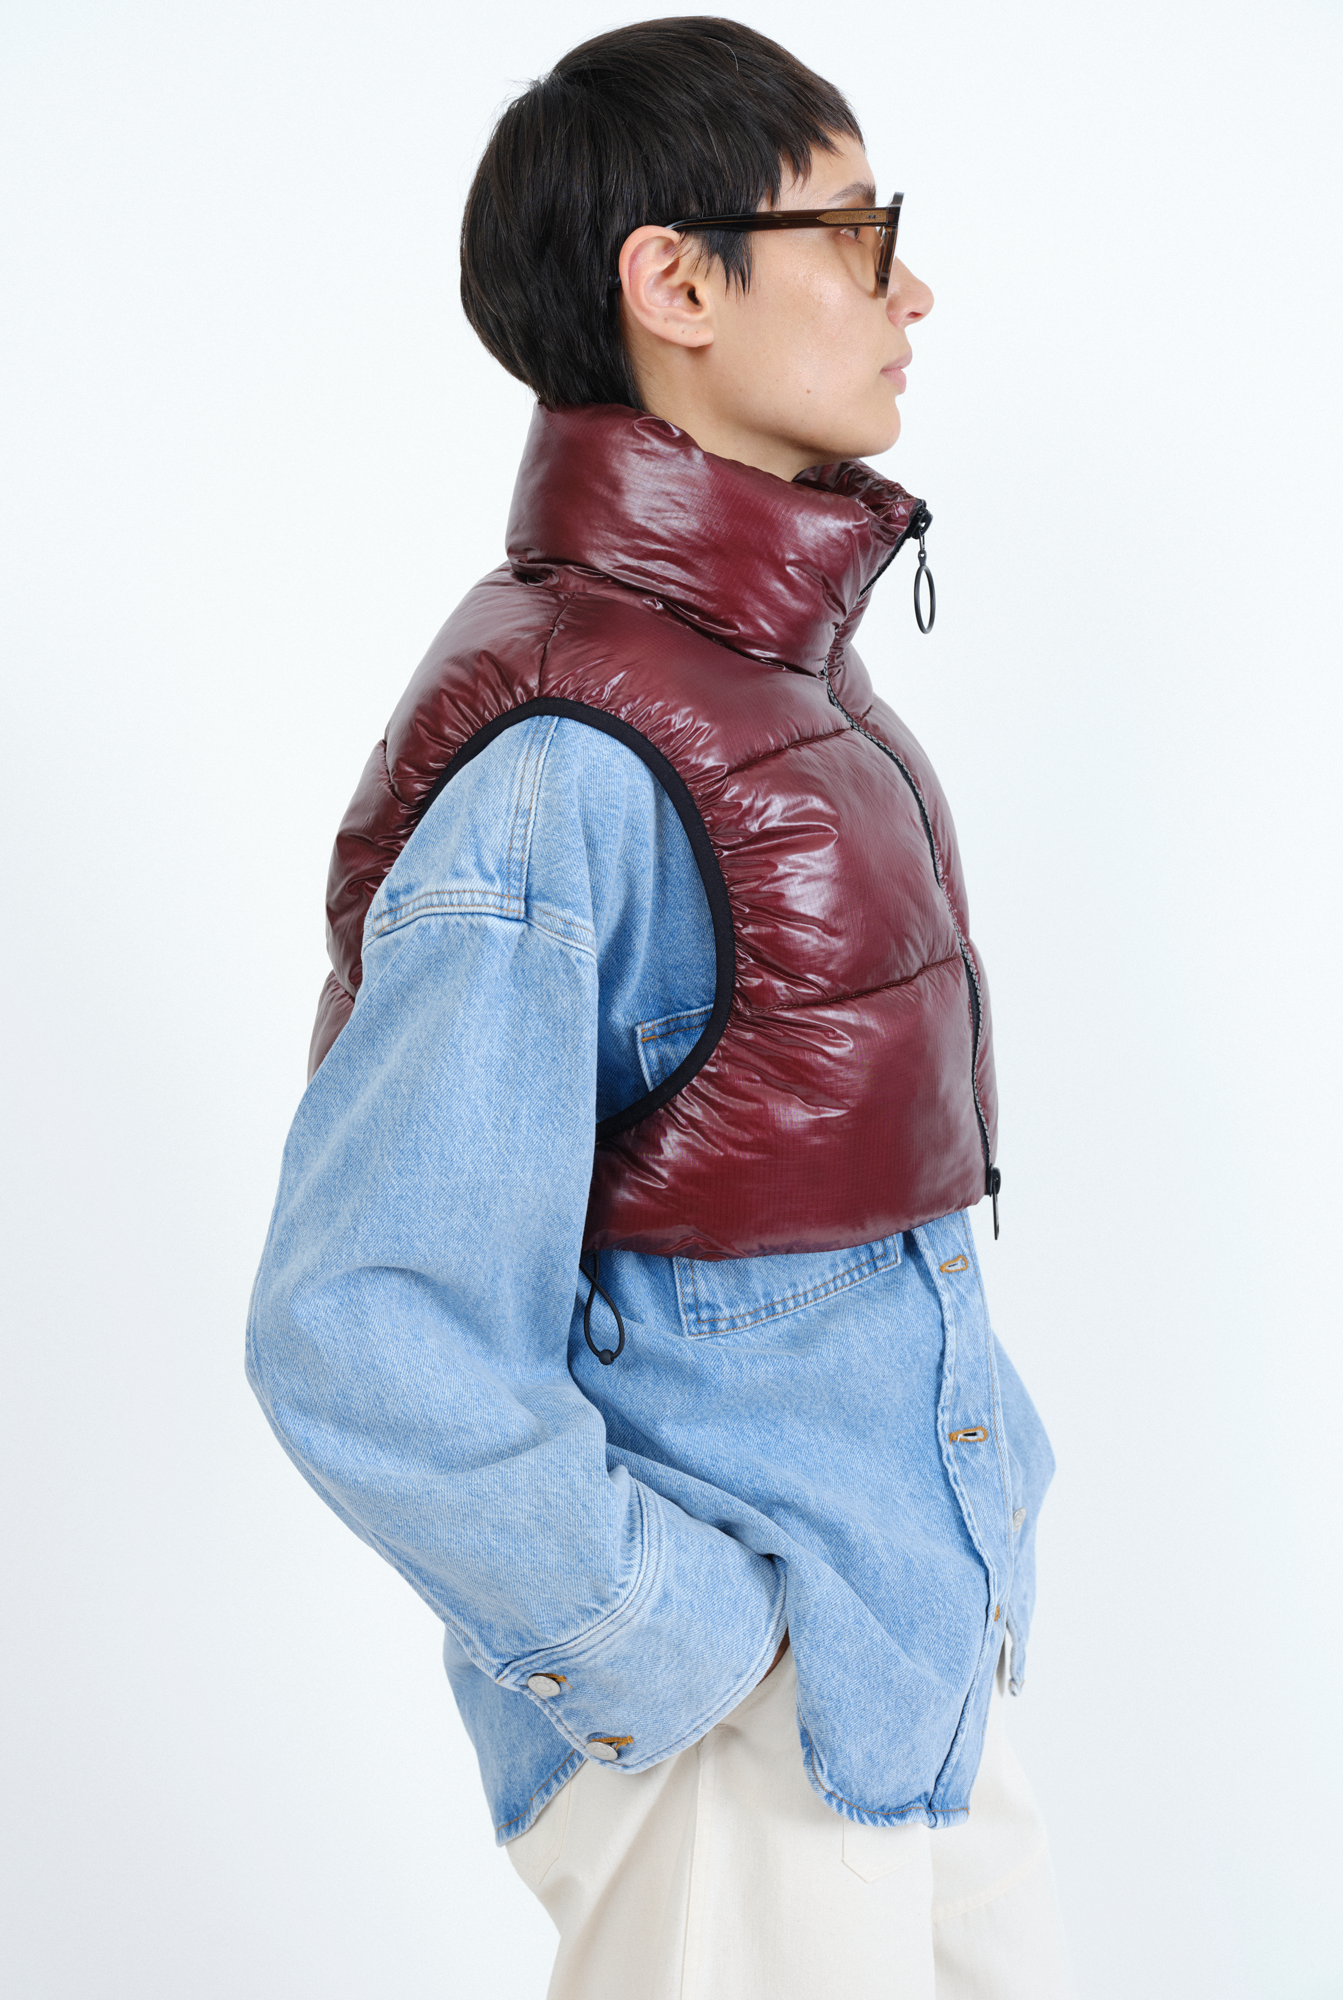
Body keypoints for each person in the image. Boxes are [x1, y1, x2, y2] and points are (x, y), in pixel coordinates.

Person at [246, 17, 1073, 1996]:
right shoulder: (569, 760)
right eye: (856, 233)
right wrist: (700, 1659)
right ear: (675, 283)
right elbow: (361, 1323)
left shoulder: (769, 677)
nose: (911, 293)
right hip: (741, 1753)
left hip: (909, 1671)